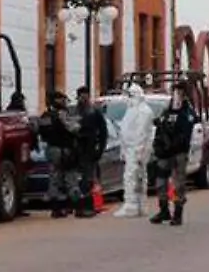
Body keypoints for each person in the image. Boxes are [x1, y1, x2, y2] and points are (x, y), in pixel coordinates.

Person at [149, 86, 198, 227]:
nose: (176, 96)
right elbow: (160, 127)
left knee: (178, 184)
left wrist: (174, 144)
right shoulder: (166, 111)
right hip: (164, 153)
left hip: (178, 153)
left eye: (179, 93)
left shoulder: (187, 113)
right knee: (160, 182)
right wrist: (159, 145)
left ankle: (177, 214)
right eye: (175, 93)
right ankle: (164, 210)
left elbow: (186, 132)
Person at [38, 92, 81, 218]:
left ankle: (56, 208)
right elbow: (73, 128)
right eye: (62, 99)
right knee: (70, 177)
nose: (64, 102)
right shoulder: (61, 114)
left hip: (50, 149)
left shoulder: (45, 115)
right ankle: (76, 206)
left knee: (54, 178)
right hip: (64, 149)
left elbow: (40, 132)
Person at [114, 84, 154, 218]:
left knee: (133, 177)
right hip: (130, 149)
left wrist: (138, 152)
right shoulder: (133, 110)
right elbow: (126, 130)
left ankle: (133, 205)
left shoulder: (143, 111)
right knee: (134, 177)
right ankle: (137, 205)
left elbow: (141, 134)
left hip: (136, 150)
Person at [73, 86, 108, 217]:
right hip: (76, 150)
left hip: (90, 150)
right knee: (77, 179)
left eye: (85, 95)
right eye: (81, 96)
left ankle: (87, 207)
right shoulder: (74, 112)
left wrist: (100, 148)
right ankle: (79, 207)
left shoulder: (94, 112)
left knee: (88, 179)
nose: (83, 98)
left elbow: (103, 132)